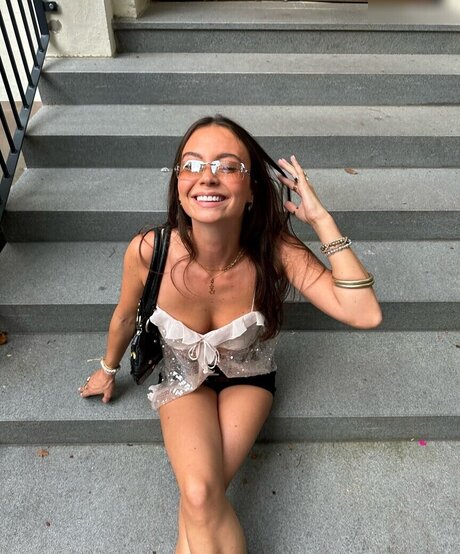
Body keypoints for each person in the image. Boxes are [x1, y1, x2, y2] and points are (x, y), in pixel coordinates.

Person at [79, 115, 382, 554]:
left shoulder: (275, 249)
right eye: (192, 165)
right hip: (183, 378)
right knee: (200, 493)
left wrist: (321, 219)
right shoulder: (149, 250)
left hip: (248, 377)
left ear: (252, 188)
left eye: (227, 166)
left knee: (200, 498)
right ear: (179, 184)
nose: (207, 177)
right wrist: (108, 369)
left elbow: (364, 312)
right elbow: (126, 317)